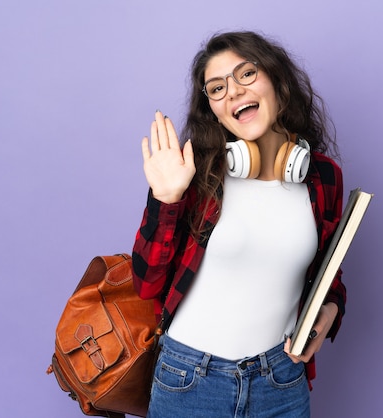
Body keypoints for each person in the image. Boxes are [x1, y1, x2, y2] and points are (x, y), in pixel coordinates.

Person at [132, 30, 346, 418]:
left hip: (281, 380)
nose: (231, 91)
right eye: (216, 88)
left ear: (278, 82)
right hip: (189, 380)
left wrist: (330, 311)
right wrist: (166, 201)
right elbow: (146, 285)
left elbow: (328, 274)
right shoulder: (193, 173)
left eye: (246, 74)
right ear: (212, 108)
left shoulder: (323, 178)